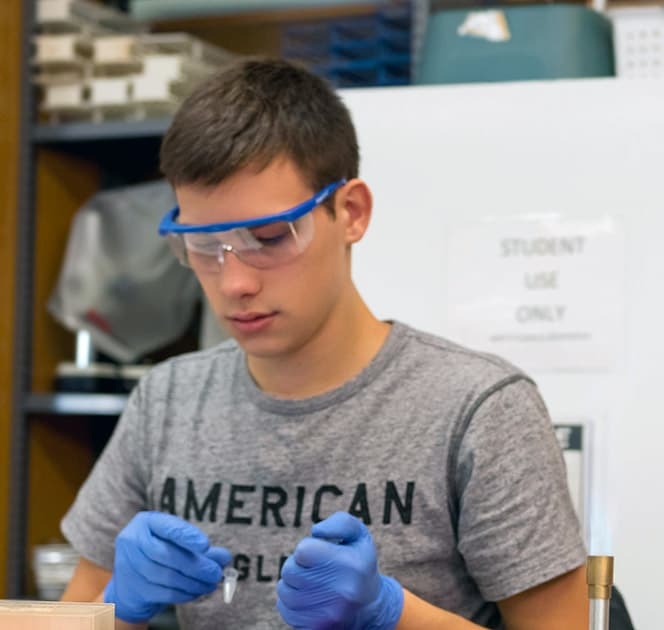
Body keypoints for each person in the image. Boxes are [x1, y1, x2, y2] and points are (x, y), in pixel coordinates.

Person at [58, 58, 587, 630]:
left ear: (351, 212)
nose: (235, 282)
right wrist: (115, 609)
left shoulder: (478, 410)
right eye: (203, 245)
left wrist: (394, 615)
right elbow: (75, 617)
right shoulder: (166, 402)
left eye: (267, 237)